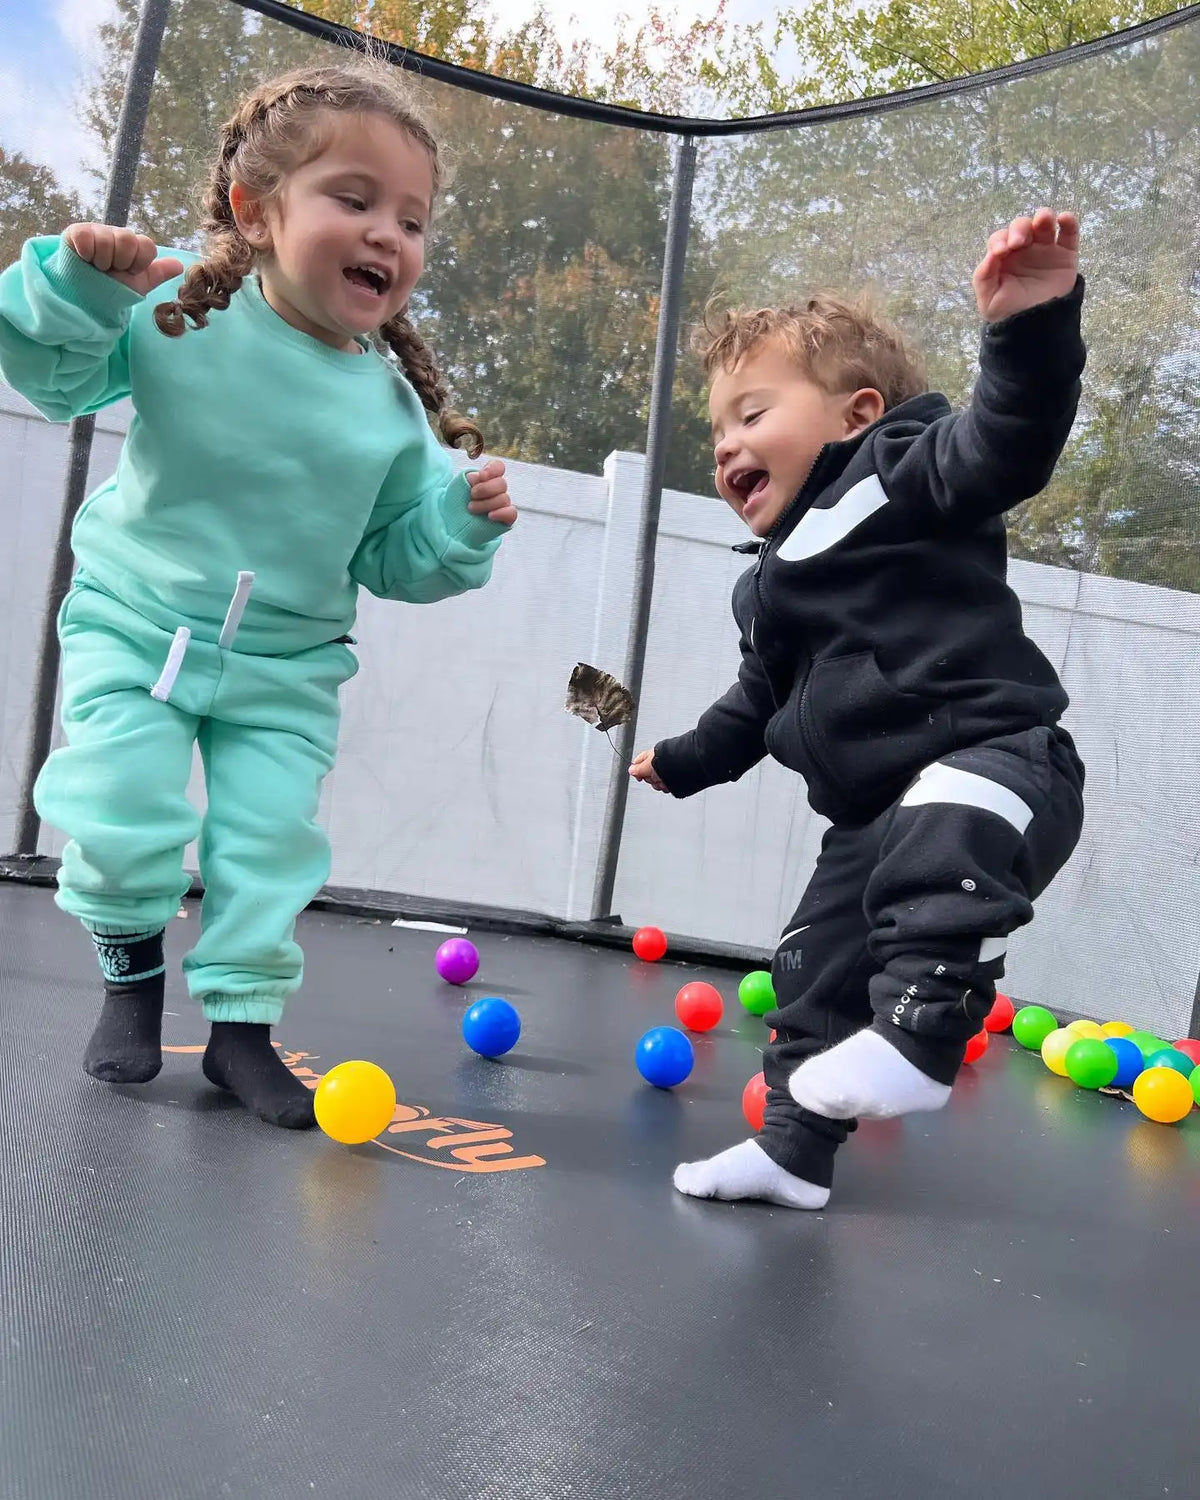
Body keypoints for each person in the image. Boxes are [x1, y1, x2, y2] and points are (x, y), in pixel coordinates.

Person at [0, 60, 516, 1128]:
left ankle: (241, 1038)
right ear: (257, 209)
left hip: (287, 663)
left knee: (268, 845)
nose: (389, 236)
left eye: (412, 221)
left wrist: (459, 523)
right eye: (355, 199)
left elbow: (396, 558)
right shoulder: (182, 313)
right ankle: (131, 988)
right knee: (121, 801)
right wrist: (81, 285)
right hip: (135, 622)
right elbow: (52, 376)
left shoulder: (388, 411)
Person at [630, 208, 1086, 1209]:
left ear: (853, 415)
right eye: (716, 432)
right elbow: (755, 705)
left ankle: (923, 1038)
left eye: (752, 414)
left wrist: (1031, 326)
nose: (726, 445)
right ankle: (793, 1150)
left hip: (1000, 764)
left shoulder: (902, 475)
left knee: (940, 831)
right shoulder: (769, 585)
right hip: (870, 819)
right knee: (812, 970)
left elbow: (1008, 440)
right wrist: (682, 758)